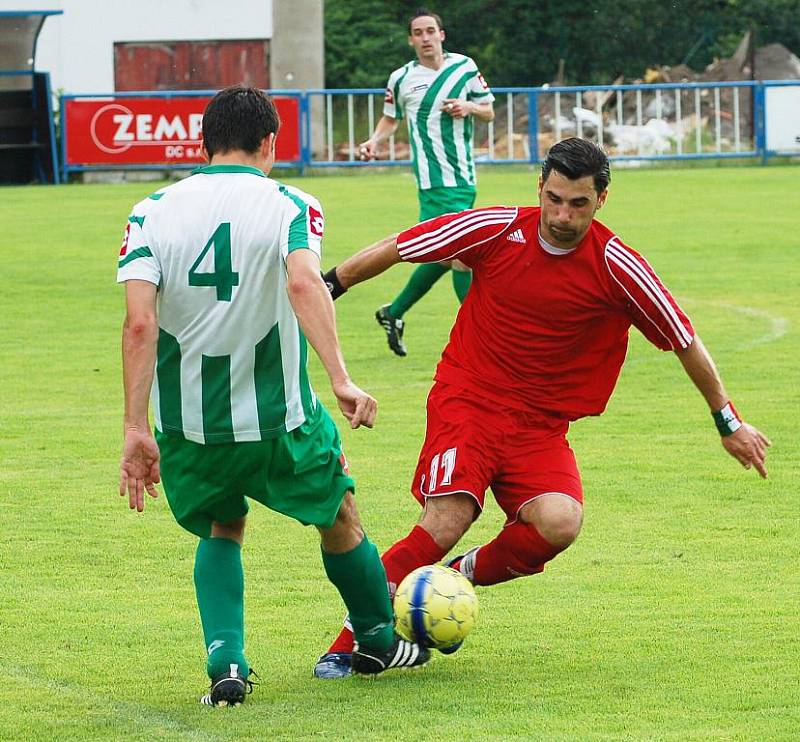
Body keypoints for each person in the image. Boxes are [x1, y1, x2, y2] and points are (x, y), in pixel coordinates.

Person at [313, 137, 771, 678]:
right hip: (470, 398)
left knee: (560, 522)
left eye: (578, 204)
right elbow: (402, 246)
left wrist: (728, 420)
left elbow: (684, 339)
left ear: (602, 198)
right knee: (449, 516)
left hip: (540, 426)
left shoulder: (616, 265)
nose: (562, 215)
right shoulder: (496, 228)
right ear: (540, 187)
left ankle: (447, 581)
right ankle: (351, 643)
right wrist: (327, 285)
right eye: (554, 199)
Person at [117, 85, 429, 706]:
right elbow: (304, 281)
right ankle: (374, 637)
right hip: (279, 417)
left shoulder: (149, 209)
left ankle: (227, 667)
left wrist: (135, 427)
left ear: (203, 143)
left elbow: (140, 324)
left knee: (220, 526)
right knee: (339, 516)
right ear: (270, 143)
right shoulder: (292, 203)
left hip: (189, 425)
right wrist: (339, 377)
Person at [358, 8, 495, 357]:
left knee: (442, 252)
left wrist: (467, 107)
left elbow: (489, 110)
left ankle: (393, 312)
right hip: (433, 183)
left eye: (430, 31)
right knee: (462, 255)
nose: (425, 37)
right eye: (418, 32)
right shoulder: (401, 78)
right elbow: (390, 120)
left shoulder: (464, 67)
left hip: (464, 176)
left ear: (441, 35)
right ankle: (480, 334)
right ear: (411, 39)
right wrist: (374, 142)